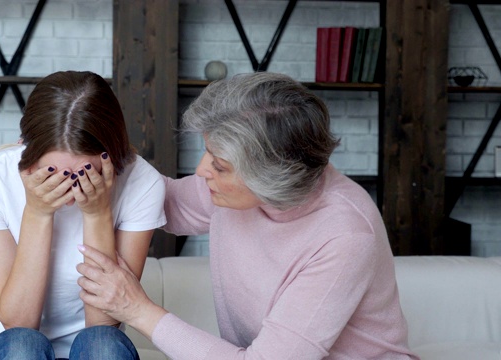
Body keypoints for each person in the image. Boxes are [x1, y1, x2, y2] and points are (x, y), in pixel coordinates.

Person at [76, 72, 420, 359]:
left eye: (220, 166)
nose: (201, 171)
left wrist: (136, 308)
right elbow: (152, 200)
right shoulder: (234, 189)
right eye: (208, 154)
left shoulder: (345, 236)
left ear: (271, 178)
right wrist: (75, 150)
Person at [0, 70, 166, 360]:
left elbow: (105, 322)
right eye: (52, 174)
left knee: (102, 343)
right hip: (13, 348)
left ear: (111, 158)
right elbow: (18, 322)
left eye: (85, 174)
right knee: (22, 345)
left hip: (96, 347)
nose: (68, 189)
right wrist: (38, 213)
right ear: (25, 150)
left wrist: (97, 213)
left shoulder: (142, 181)